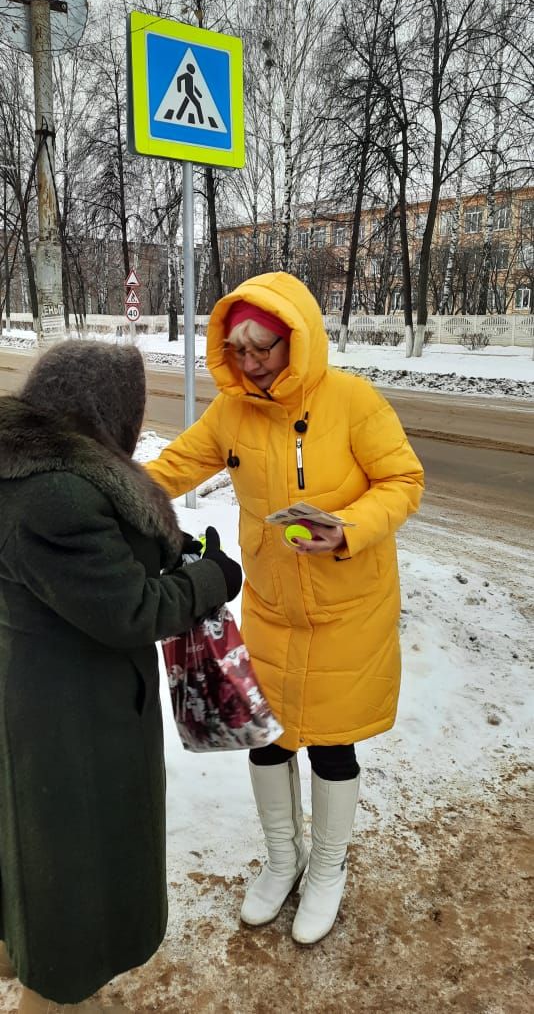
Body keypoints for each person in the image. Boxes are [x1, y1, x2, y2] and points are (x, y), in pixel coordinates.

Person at [145, 272, 424, 945]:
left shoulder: (353, 401)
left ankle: (326, 868)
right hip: (270, 607)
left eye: (263, 348)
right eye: (238, 350)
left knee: (331, 743)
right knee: (264, 735)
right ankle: (283, 859)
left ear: (295, 339)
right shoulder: (232, 411)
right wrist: (101, 491)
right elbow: (175, 466)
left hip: (346, 608)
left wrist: (348, 527)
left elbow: (403, 481)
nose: (251, 363)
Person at [0, 341, 242, 1013]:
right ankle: (53, 989)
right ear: (104, 412)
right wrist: (211, 579)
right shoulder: (53, 495)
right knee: (68, 867)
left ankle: (33, 956)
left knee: (36, 850)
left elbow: (100, 567)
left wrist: (169, 547)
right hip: (71, 717)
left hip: (45, 695)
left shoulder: (32, 468)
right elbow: (130, 610)